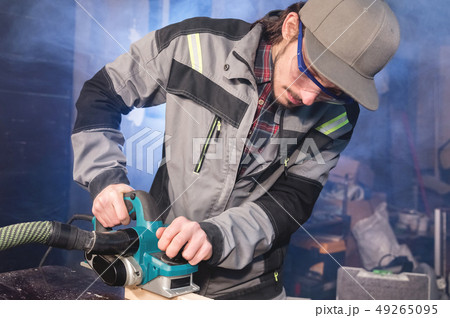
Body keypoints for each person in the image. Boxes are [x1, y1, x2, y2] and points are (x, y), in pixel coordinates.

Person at [72, 0, 400, 299]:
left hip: (250, 288)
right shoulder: (193, 46)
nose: (311, 97)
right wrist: (105, 177)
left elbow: (293, 199)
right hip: (159, 268)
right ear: (290, 28)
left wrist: (216, 236)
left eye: (333, 90)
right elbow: (103, 93)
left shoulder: (339, 113)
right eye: (309, 71)